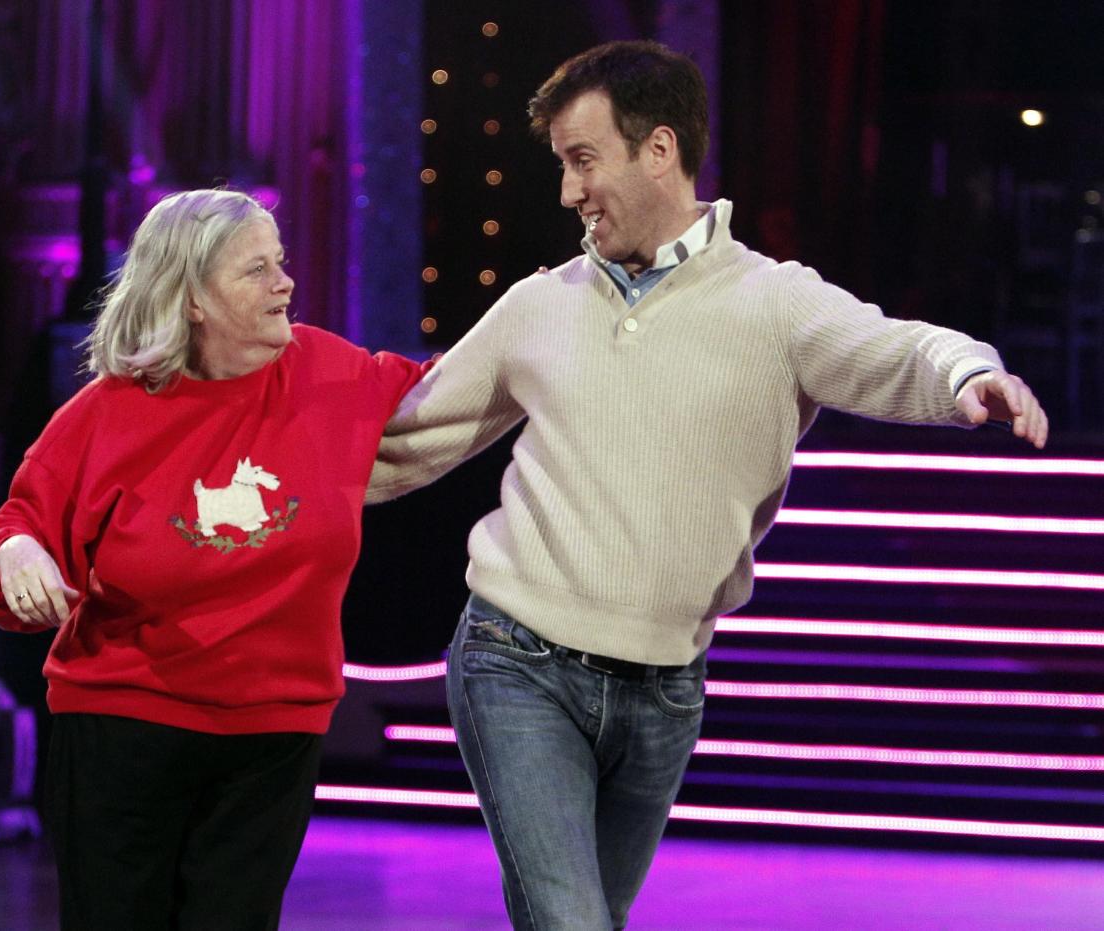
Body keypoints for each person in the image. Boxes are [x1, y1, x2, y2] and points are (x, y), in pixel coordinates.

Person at [367, 40, 1048, 930]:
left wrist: (967, 375)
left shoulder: (774, 302)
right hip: (515, 658)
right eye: (562, 166)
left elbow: (898, 347)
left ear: (658, 150)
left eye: (583, 161)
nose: (568, 193)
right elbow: (409, 435)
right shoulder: (541, 304)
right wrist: (248, 465)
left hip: (666, 683)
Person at [0, 189, 427, 930]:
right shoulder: (106, 411)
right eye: (257, 270)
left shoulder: (331, 373)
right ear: (191, 300)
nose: (285, 283)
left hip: (272, 741)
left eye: (280, 263)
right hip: (125, 726)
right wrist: (20, 551)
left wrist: (547, 312)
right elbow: (12, 530)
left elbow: (454, 392)